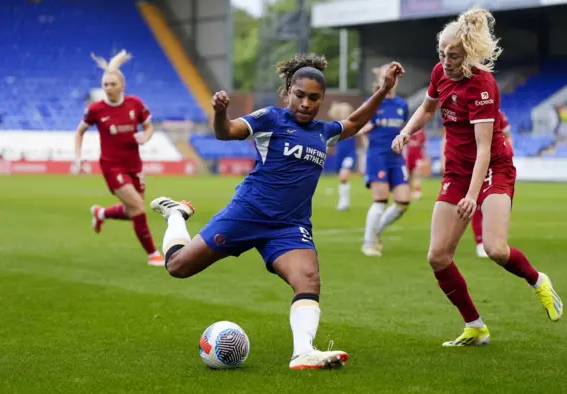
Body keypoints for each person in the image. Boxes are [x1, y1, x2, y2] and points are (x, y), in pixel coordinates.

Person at [150, 54, 405, 368]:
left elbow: (354, 122)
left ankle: (303, 352)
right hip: (247, 213)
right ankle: (176, 215)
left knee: (308, 279)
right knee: (178, 266)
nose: (306, 103)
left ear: (322, 100)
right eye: (300, 95)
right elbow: (226, 131)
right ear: (288, 93)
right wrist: (220, 112)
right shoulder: (270, 118)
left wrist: (382, 90)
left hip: (289, 226)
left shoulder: (324, 132)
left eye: (314, 98)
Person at [392, 8, 563, 347]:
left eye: (453, 55)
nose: (446, 60)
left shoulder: (483, 85)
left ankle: (538, 280)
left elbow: (484, 149)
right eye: (442, 54)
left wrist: (473, 195)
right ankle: (475, 326)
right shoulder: (440, 72)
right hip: (456, 170)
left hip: (493, 167)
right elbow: (427, 108)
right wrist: (407, 131)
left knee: (496, 249)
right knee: (437, 256)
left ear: (468, 53)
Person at [74, 50, 163, 267]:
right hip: (111, 166)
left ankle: (101, 213)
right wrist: (78, 157)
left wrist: (145, 136)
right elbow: (79, 132)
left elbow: (149, 126)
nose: (108, 88)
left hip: (134, 164)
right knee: (139, 208)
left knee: (132, 210)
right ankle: (153, 254)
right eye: (105, 84)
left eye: (113, 84)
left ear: (122, 86)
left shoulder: (135, 104)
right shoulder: (96, 109)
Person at [440, 109, 514, 258]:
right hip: (468, 164)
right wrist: (445, 159)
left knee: (493, 201)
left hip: (493, 164)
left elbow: (508, 136)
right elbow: (447, 136)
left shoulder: (497, 113)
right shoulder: (460, 111)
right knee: (475, 201)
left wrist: (505, 153)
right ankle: (480, 241)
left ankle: (492, 237)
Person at [360, 65, 411, 257]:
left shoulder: (402, 105)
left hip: (396, 157)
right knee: (381, 200)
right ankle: (368, 243)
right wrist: (366, 142)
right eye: (386, 76)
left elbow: (402, 130)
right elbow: (359, 126)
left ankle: (376, 231)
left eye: (395, 76)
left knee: (403, 201)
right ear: (379, 80)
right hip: (378, 155)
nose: (391, 79)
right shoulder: (372, 102)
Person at [328, 102, 357, 211]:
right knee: (342, 178)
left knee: (344, 175)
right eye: (343, 111)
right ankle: (345, 202)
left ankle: (343, 203)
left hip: (350, 153)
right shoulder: (337, 125)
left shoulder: (353, 123)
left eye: (347, 111)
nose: (345, 113)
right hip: (340, 154)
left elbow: (361, 132)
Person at [405, 128, 430, 200]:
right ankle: (409, 192)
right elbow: (405, 146)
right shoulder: (409, 131)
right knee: (409, 174)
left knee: (417, 173)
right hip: (409, 156)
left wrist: (426, 157)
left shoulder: (422, 133)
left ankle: (417, 191)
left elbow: (425, 146)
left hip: (418, 156)